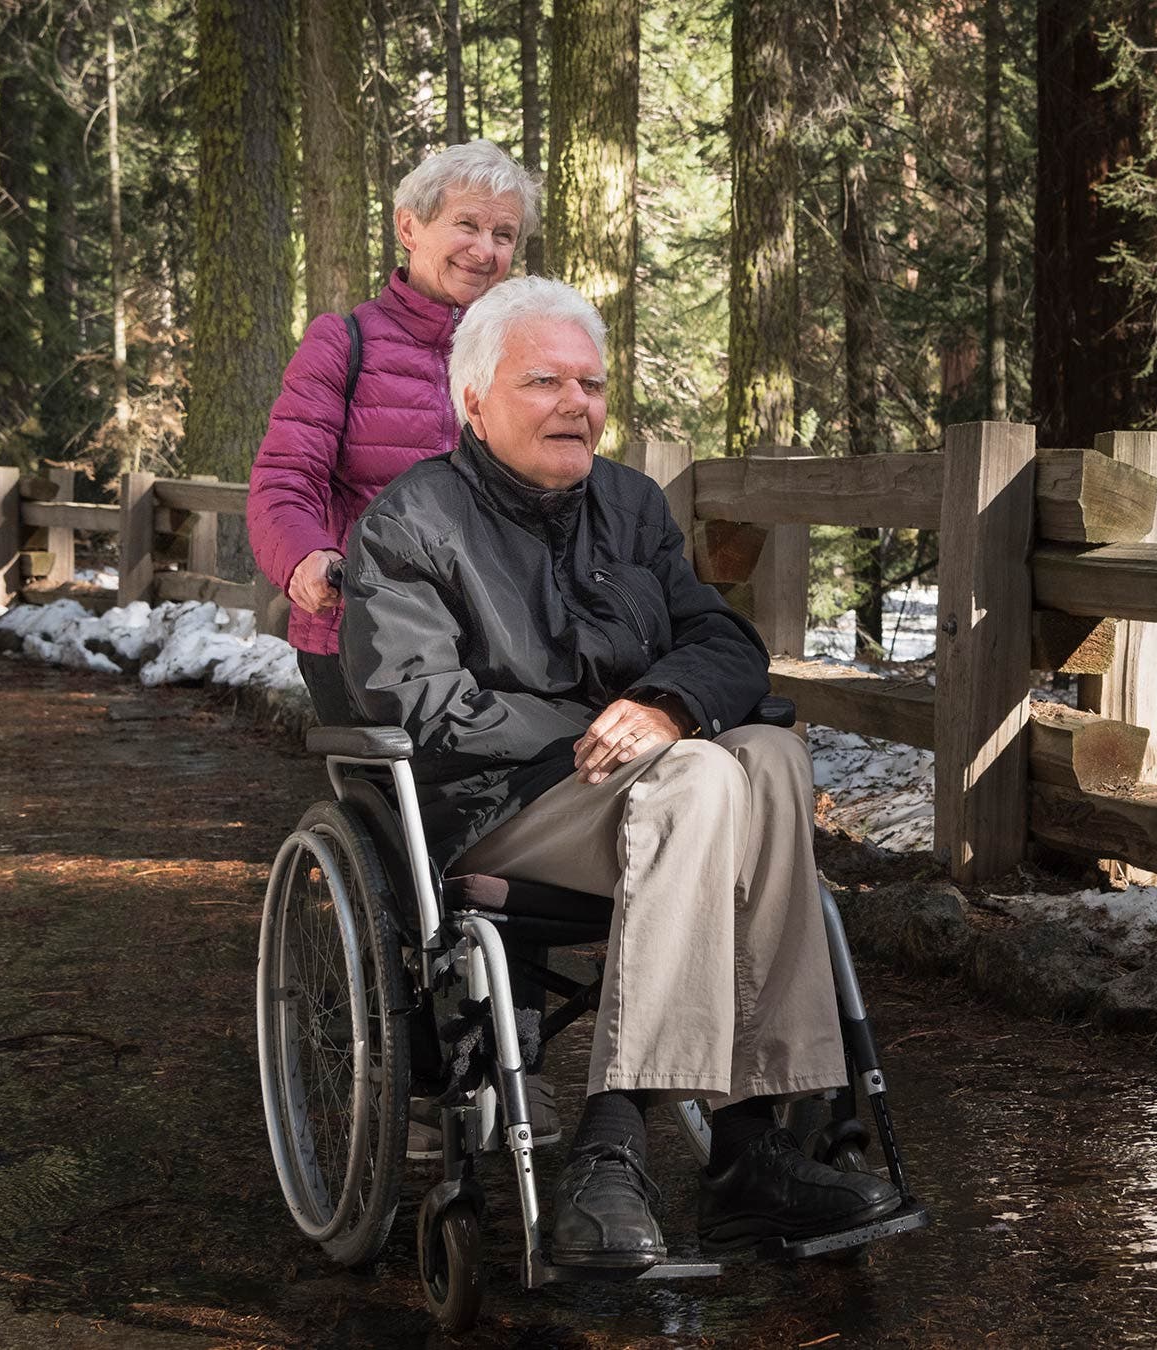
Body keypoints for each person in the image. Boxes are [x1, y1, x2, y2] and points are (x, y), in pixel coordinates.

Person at [339, 276, 902, 1269]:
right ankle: (613, 1142)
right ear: (474, 401)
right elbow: (420, 704)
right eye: (544, 381)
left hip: (655, 797)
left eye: (592, 384)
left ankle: (750, 1145)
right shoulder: (412, 524)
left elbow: (725, 642)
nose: (577, 404)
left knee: (765, 751)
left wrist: (671, 705)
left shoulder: (630, 506)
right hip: (502, 809)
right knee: (699, 779)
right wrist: (612, 735)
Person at [248, 139, 535, 726]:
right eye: (466, 225)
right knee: (400, 805)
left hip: (499, 635)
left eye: (503, 235)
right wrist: (306, 556)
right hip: (365, 632)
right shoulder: (343, 342)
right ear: (409, 227)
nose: (484, 250)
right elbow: (284, 481)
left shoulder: (521, 353)